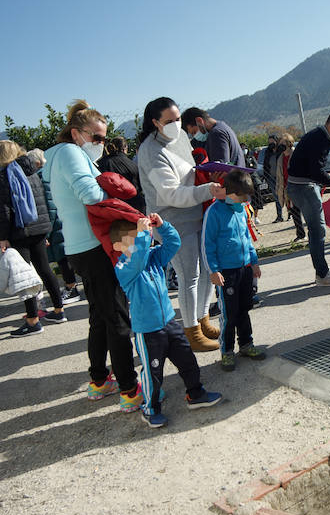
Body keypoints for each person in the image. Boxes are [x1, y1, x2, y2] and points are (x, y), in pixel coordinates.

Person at [44, 100, 143, 411]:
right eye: (96, 137)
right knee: (117, 318)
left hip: (81, 247)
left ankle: (99, 381)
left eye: (104, 138)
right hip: (95, 247)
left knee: (100, 316)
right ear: (76, 133)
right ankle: (129, 390)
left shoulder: (61, 155)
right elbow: (89, 194)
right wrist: (114, 193)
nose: (101, 143)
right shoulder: (71, 153)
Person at [111, 216, 223, 428]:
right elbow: (137, 260)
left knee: (187, 360)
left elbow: (174, 243)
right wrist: (142, 236)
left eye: (139, 237)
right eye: (132, 239)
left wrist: (163, 226)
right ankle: (150, 409)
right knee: (153, 374)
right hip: (148, 331)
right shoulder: (123, 267)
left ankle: (195, 394)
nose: (140, 241)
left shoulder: (152, 257)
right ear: (118, 246)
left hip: (169, 323)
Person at [136, 97, 227, 352]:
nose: (176, 124)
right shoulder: (150, 151)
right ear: (155, 122)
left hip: (196, 215)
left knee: (207, 271)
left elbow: (189, 174)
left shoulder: (179, 139)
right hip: (172, 222)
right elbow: (171, 194)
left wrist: (207, 175)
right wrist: (208, 189)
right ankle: (191, 331)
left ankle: (202, 319)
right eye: (169, 120)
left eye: (178, 119)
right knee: (189, 276)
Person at [0, 139, 66, 336]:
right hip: (39, 228)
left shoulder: (3, 176)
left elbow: (3, 210)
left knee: (24, 276)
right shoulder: (32, 171)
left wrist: (2, 237)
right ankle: (59, 310)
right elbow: (43, 200)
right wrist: (46, 230)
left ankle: (33, 321)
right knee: (45, 269)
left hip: (19, 231)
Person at [203, 169, 267, 371]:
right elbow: (207, 244)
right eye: (242, 196)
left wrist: (253, 261)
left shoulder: (241, 209)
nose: (246, 200)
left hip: (244, 269)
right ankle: (227, 351)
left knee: (244, 309)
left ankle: (246, 344)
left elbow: (246, 237)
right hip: (226, 273)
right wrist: (213, 270)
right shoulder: (214, 212)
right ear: (228, 192)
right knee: (229, 314)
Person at [287, 109, 330, 286]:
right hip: (304, 187)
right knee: (317, 230)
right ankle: (322, 275)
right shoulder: (321, 139)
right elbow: (316, 171)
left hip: (302, 185)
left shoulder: (317, 135)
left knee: (317, 230)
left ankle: (322, 271)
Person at [28, 148, 79, 300]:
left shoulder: (41, 177)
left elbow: (49, 205)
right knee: (64, 256)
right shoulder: (52, 173)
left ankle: (71, 288)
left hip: (55, 223)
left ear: (37, 163)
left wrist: (47, 231)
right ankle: (71, 286)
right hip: (62, 219)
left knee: (62, 257)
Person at [97, 136, 148, 214]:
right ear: (125, 148)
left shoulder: (102, 163)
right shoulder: (132, 164)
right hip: (137, 206)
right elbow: (142, 186)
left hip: (114, 207)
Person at [277, 135, 304, 239]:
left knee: (301, 210)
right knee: (294, 212)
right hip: (286, 188)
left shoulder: (296, 154)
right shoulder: (280, 157)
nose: (281, 145)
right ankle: (300, 234)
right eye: (280, 143)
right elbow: (279, 175)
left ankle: (306, 234)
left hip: (297, 186)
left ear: (289, 143)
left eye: (283, 143)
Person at [263, 135, 285, 223]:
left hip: (282, 177)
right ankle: (279, 216)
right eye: (269, 142)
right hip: (271, 177)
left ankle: (291, 213)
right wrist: (266, 177)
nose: (271, 143)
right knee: (276, 197)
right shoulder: (268, 152)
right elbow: (265, 165)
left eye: (272, 141)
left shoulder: (281, 151)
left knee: (286, 195)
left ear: (277, 141)